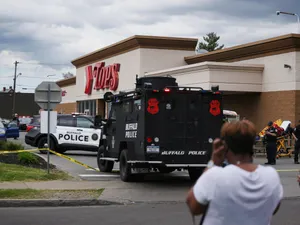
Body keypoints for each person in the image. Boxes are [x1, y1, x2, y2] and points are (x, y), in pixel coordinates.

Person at [186, 120, 283, 225]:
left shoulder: (215, 175)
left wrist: (213, 163)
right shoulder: (271, 176)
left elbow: (193, 206)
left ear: (225, 145)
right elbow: (274, 208)